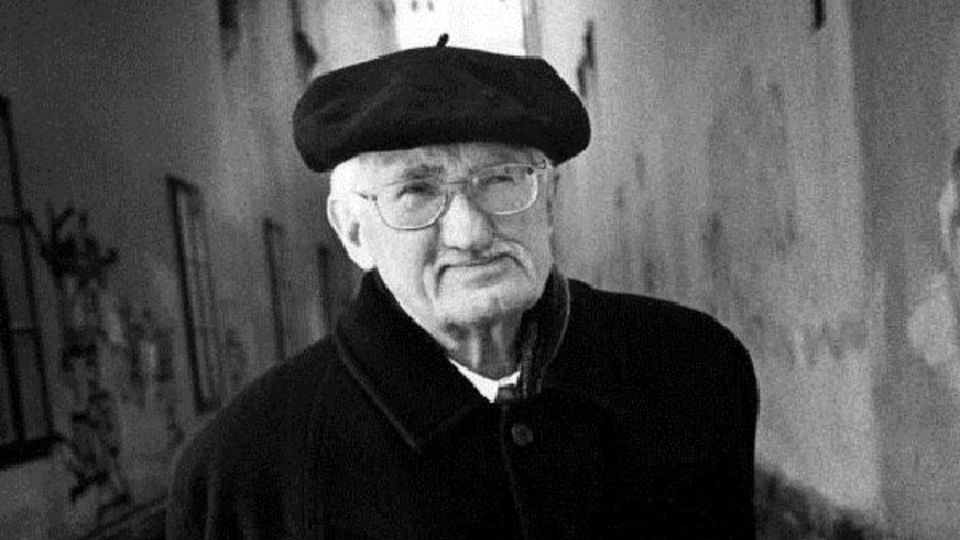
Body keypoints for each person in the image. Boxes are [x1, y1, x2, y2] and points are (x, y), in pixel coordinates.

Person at [166, 40, 759, 540]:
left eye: (501, 179)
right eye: (417, 192)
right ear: (353, 232)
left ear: (549, 200)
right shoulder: (245, 473)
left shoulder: (692, 370)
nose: (471, 233)